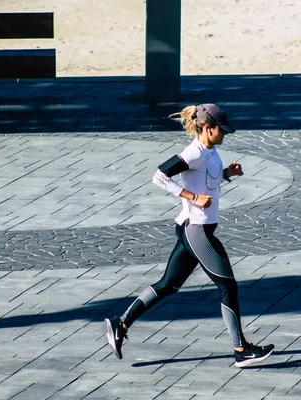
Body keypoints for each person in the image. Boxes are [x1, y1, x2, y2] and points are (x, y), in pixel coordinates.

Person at [104, 104, 274, 368]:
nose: (225, 135)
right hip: (197, 230)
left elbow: (206, 180)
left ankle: (121, 323)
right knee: (228, 286)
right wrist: (192, 197)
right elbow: (160, 176)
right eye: (222, 130)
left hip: (193, 228)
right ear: (209, 128)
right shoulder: (193, 152)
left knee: (168, 285)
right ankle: (240, 349)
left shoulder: (210, 150)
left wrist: (227, 173)